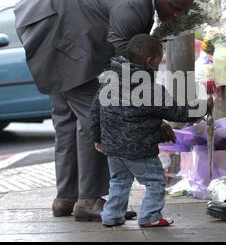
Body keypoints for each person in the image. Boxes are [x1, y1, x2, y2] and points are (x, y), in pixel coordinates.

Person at [14, 0, 195, 221]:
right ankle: (87, 200)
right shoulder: (134, 4)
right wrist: (155, 115)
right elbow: (129, 67)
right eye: (175, 8)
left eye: (183, 12)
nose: (177, 15)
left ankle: (67, 197)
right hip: (55, 26)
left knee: (69, 118)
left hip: (49, 16)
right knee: (98, 115)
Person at [91, 34, 213, 227]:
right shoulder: (150, 89)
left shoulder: (110, 80)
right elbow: (177, 112)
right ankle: (150, 217)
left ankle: (112, 216)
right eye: (158, 60)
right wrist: (204, 106)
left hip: (112, 146)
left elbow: (95, 110)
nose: (159, 65)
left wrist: (98, 137)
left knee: (119, 181)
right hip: (139, 148)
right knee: (155, 181)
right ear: (150, 61)